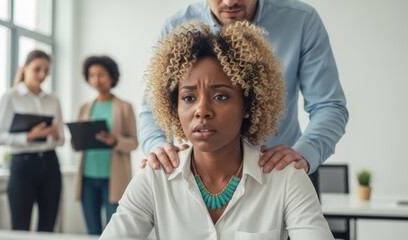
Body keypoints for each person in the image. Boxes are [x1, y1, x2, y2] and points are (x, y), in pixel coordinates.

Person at [100, 21, 334, 240]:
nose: (202, 111)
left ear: (248, 105)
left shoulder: (286, 179)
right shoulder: (154, 177)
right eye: (189, 97)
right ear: (174, 108)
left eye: (221, 96)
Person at [139, 0, 348, 175]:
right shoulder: (177, 26)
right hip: (197, 177)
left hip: (280, 173)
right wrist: (159, 149)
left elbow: (329, 105)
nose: (230, 2)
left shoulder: (301, 20)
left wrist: (304, 154)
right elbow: (152, 109)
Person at [0, 50, 64, 231]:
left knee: (48, 227)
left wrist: (55, 134)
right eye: (37, 69)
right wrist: (30, 136)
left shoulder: (53, 100)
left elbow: (61, 140)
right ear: (24, 68)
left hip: (50, 164)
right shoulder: (10, 97)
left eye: (46, 71)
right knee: (20, 226)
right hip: (23, 166)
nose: (42, 75)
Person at [73, 55, 138, 235]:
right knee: (92, 232)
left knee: (113, 233)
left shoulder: (125, 107)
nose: (96, 79)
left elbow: (133, 143)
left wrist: (115, 140)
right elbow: (76, 144)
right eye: (92, 75)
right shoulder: (84, 107)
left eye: (101, 74)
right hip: (87, 177)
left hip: (113, 179)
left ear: (111, 76)